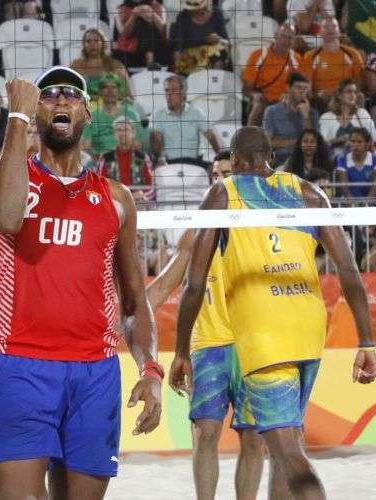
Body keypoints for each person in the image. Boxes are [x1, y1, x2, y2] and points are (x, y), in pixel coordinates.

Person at [0, 66, 161, 499]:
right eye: (50, 95)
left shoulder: (116, 198)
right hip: (20, 365)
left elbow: (134, 301)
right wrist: (16, 120)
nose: (61, 101)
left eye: (72, 95)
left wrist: (150, 368)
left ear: (87, 112)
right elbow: (5, 217)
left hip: (94, 372)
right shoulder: (1, 177)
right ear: (36, 110)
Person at [171, 126, 376, 500]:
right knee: (286, 441)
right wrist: (367, 340)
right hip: (309, 330)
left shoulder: (223, 193)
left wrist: (181, 350)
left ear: (234, 160)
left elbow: (193, 284)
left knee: (288, 452)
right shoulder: (307, 191)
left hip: (264, 336)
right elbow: (348, 269)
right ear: (269, 156)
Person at [147, 150, 265, 500]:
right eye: (216, 175)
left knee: (254, 439)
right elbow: (164, 286)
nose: (221, 182)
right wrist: (124, 314)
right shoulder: (197, 232)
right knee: (205, 434)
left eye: (228, 174)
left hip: (253, 346)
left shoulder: (262, 222)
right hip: (208, 345)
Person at [242, 22, 308, 126]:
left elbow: (303, 89)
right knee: (258, 106)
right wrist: (254, 95)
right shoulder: (258, 55)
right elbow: (246, 89)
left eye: (290, 38)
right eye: (283, 36)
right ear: (275, 36)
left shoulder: (297, 60)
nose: (287, 41)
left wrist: (290, 96)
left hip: (286, 101)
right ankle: (250, 136)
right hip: (264, 100)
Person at [151, 74, 220, 164]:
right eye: (167, 90)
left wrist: (221, 158)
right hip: (169, 163)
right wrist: (158, 157)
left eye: (174, 90)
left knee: (214, 169)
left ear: (183, 93)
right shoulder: (158, 115)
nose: (169, 94)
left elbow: (211, 136)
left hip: (194, 162)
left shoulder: (196, 113)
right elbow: (156, 147)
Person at [302, 17, 365, 105]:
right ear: (320, 32)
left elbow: (359, 81)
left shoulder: (353, 54)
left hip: (346, 95)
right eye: (326, 27)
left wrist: (349, 93)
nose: (330, 29)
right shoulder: (310, 56)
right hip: (323, 98)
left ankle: (359, 118)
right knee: (322, 97)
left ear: (339, 32)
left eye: (334, 26)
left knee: (360, 96)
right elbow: (308, 85)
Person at [262, 72, 319, 166]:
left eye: (305, 88)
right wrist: (297, 142)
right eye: (298, 87)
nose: (302, 91)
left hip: (305, 161)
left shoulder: (312, 114)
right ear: (288, 88)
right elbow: (267, 143)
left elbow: (312, 144)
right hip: (279, 160)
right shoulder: (272, 111)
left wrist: (306, 117)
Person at [82, 72, 146, 156]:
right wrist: (99, 160)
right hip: (100, 161)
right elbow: (86, 147)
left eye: (114, 87)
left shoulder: (131, 114)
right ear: (100, 92)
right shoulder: (92, 117)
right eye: (105, 87)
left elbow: (138, 144)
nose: (110, 91)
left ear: (119, 91)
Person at [319, 80, 376, 159]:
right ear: (339, 95)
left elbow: (375, 138)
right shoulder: (326, 117)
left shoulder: (362, 113)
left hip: (362, 158)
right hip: (336, 160)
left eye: (355, 92)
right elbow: (320, 144)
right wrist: (336, 141)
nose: (353, 95)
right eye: (349, 92)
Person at [97, 116, 153, 201]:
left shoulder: (143, 158)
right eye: (119, 130)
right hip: (115, 203)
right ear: (114, 134)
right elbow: (99, 185)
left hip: (138, 203)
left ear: (133, 133)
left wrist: (141, 195)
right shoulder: (105, 158)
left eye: (126, 129)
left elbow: (151, 187)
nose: (122, 133)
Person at [168, 0, 230, 75]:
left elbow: (226, 41)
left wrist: (218, 39)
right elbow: (178, 47)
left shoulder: (217, 14)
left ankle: (215, 79)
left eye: (196, 6)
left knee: (218, 56)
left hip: (213, 58)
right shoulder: (182, 17)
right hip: (191, 59)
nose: (193, 9)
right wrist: (177, 67)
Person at [69, 28, 131, 101]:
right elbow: (68, 92)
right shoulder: (76, 65)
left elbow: (127, 94)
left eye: (96, 41)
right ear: (83, 45)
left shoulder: (115, 65)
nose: (92, 44)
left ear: (103, 43)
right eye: (88, 41)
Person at [112, 0, 169, 68]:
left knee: (145, 26)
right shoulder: (120, 9)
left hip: (156, 49)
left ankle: (150, 59)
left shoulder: (157, 6)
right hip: (130, 51)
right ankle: (149, 60)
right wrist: (134, 15)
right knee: (140, 23)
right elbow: (124, 33)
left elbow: (164, 30)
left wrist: (152, 14)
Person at [334, 127, 376, 199]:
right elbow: (344, 189)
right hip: (349, 204)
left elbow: (375, 188)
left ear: (367, 144)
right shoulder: (342, 161)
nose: (355, 145)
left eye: (360, 142)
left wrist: (366, 206)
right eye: (353, 141)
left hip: (370, 204)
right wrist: (353, 206)